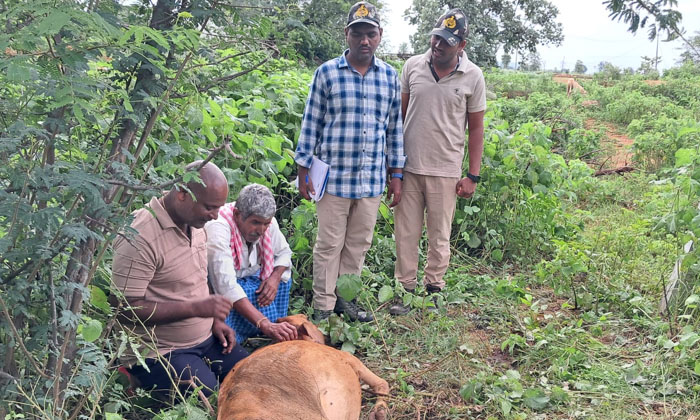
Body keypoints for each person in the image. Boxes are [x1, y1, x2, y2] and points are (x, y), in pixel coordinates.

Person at [295, 1, 405, 322]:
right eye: (358, 34)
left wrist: (395, 173)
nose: (364, 41)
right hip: (333, 179)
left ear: (380, 35)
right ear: (347, 35)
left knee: (358, 244)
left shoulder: (388, 77)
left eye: (370, 34)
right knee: (329, 244)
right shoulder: (327, 73)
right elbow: (311, 123)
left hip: (370, 179)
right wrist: (304, 168)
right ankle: (323, 308)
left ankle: (346, 302)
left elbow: (394, 130)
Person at [111, 161, 248, 398]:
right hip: (161, 352)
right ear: (183, 194)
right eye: (209, 207)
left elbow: (195, 278)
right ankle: (133, 379)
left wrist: (214, 321)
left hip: (206, 340)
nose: (215, 216)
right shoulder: (140, 235)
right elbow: (124, 308)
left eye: (219, 208)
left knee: (254, 377)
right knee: (209, 400)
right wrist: (195, 309)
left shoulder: (195, 223)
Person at [390, 9, 486, 315]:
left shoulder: (473, 76)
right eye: (435, 38)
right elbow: (398, 118)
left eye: (446, 41)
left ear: (461, 45)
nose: (438, 45)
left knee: (439, 235)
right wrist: (393, 165)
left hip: (445, 170)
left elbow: (477, 128)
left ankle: (433, 291)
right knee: (406, 233)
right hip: (408, 167)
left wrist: (473, 174)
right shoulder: (412, 67)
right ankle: (405, 290)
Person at [205, 183, 298, 344]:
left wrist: (274, 279)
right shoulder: (218, 228)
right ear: (237, 214)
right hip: (217, 285)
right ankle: (242, 335)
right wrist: (264, 323)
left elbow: (284, 253)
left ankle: (267, 329)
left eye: (265, 224)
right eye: (255, 223)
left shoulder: (268, 222)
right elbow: (225, 285)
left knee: (282, 279)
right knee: (227, 299)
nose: (261, 230)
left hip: (250, 277)